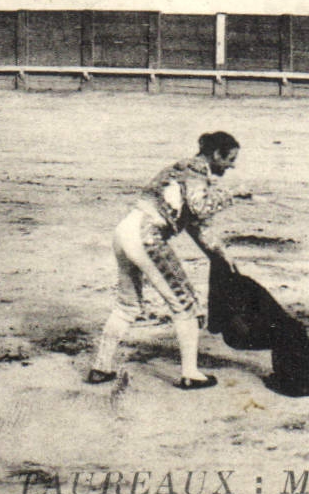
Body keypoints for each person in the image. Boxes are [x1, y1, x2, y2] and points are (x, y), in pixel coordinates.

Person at [87, 131, 242, 389]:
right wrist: (231, 195)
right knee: (186, 304)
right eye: (230, 159)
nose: (232, 165)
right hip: (146, 236)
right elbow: (199, 208)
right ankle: (190, 374)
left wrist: (220, 252)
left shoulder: (180, 169)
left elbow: (195, 224)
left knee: (127, 304)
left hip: (124, 231)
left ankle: (101, 368)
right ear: (216, 154)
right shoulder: (195, 174)